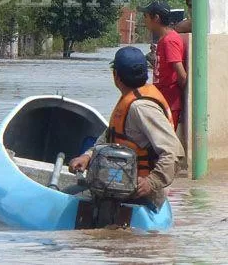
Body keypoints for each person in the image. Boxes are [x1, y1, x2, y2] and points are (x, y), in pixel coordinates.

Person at [68, 46, 184, 208]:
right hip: (118, 185)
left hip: (138, 193)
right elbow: (109, 139)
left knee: (68, 199)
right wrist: (87, 157)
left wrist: (151, 182)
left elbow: (174, 152)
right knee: (72, 192)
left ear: (116, 76)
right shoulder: (129, 101)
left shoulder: (141, 107)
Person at [142, 1, 187, 130]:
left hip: (169, 103)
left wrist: (175, 99)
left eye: (146, 16)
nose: (144, 20)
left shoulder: (169, 41)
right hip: (162, 100)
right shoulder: (164, 39)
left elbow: (182, 76)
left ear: (156, 18)